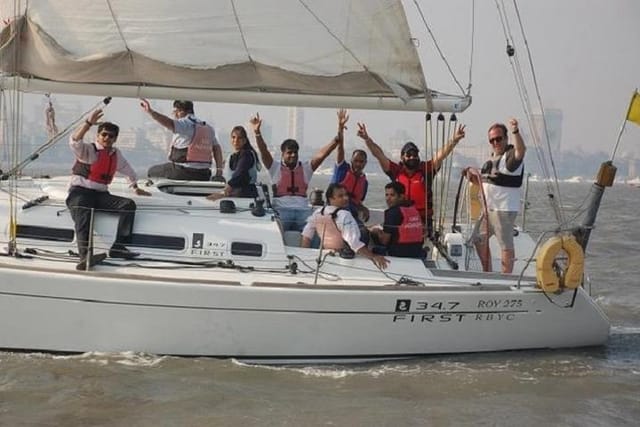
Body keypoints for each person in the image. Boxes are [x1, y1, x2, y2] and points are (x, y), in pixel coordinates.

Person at [66, 109, 151, 270]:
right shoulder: (89, 150)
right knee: (84, 215)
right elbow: (74, 141)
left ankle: (118, 246)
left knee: (128, 205)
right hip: (80, 193)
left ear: (115, 139)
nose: (107, 138)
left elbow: (128, 169)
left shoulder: (115, 154)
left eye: (111, 136)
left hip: (100, 195)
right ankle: (85, 257)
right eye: (104, 134)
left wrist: (134, 186)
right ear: (98, 135)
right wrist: (88, 123)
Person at [357, 122, 466, 237]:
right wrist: (367, 139)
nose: (412, 157)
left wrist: (454, 140)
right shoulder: (396, 171)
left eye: (415, 155)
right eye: (408, 155)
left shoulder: (426, 170)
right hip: (400, 217)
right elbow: (379, 154)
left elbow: (441, 155)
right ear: (402, 157)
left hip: (422, 220)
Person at [250, 109, 346, 231]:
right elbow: (263, 151)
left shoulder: (306, 168)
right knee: (275, 229)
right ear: (283, 154)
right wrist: (257, 132)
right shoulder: (275, 168)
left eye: (295, 152)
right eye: (289, 153)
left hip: (303, 211)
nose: (293, 155)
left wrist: (339, 132)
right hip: (281, 210)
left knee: (315, 230)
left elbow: (323, 154)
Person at [471, 118, 526, 274]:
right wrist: (471, 176)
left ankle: (505, 277)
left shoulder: (511, 159)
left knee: (505, 244)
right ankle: (487, 272)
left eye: (498, 138)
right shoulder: (492, 159)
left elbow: (521, 152)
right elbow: (486, 182)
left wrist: (516, 130)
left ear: (506, 138)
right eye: (492, 140)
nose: (495, 142)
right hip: (488, 210)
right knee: (478, 239)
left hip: (503, 209)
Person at [301, 183, 389, 269]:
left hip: (325, 254)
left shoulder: (318, 213)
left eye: (346, 195)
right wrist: (373, 257)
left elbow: (306, 236)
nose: (346, 198)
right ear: (331, 198)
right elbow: (354, 243)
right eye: (340, 196)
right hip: (344, 257)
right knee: (365, 233)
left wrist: (304, 257)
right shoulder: (344, 215)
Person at [140, 99, 223, 181]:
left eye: (176, 111)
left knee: (151, 171)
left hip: (183, 172)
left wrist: (150, 111)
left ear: (182, 111)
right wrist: (219, 171)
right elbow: (217, 148)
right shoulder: (208, 128)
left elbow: (168, 123)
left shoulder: (185, 124)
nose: (175, 114)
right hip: (204, 174)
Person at [369, 182, 425, 258]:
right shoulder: (414, 210)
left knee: (371, 246)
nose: (388, 199)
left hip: (398, 253)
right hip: (418, 252)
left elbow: (384, 241)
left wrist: (376, 232)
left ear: (401, 196)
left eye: (392, 195)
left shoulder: (392, 212)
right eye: (386, 195)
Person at [207, 126, 260, 200]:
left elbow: (240, 173)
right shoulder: (232, 156)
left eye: (239, 138)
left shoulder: (247, 155)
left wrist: (224, 192)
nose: (236, 140)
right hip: (233, 195)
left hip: (245, 196)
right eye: (233, 137)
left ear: (244, 141)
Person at [330, 140, 369, 222]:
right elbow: (340, 149)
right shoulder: (342, 170)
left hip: (351, 212)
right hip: (336, 209)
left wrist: (363, 208)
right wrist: (340, 130)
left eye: (361, 162)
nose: (358, 164)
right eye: (356, 161)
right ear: (351, 160)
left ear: (365, 163)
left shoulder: (364, 183)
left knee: (362, 231)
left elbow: (358, 202)